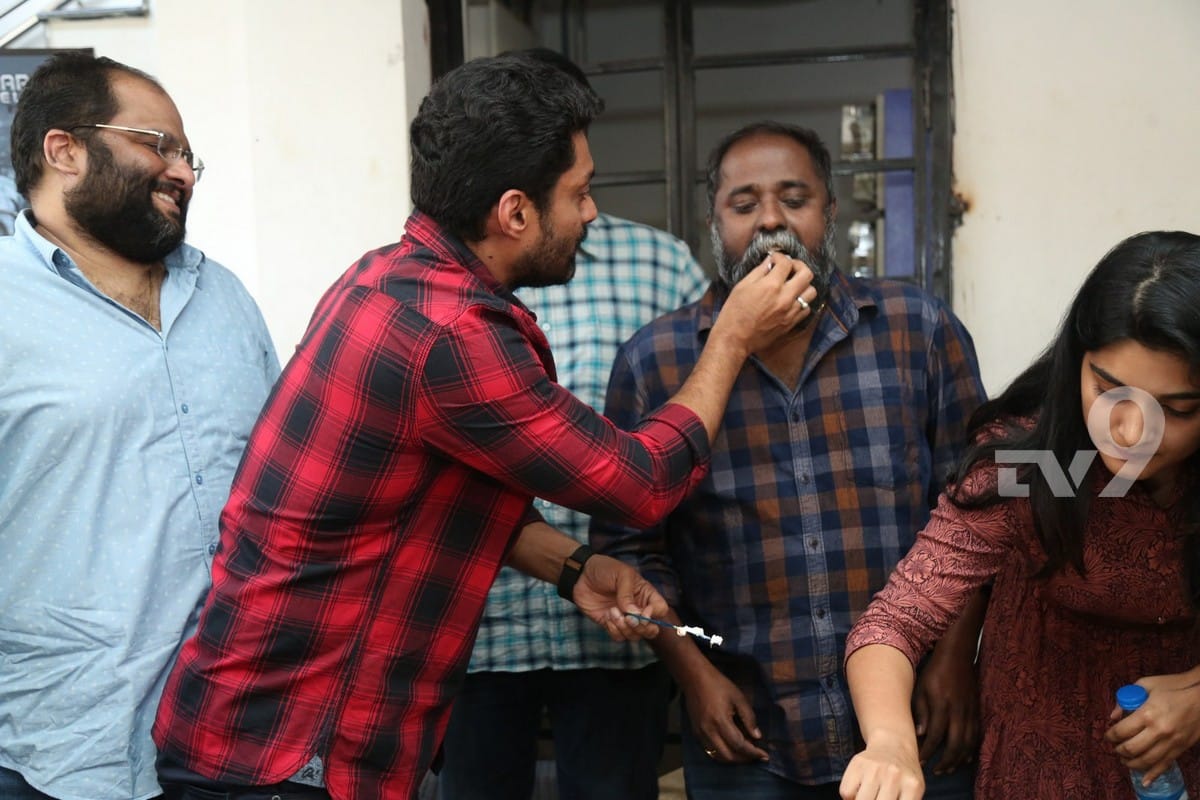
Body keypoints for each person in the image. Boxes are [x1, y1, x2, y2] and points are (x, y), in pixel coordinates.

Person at [152, 54, 814, 800]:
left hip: (266, 744)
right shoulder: (451, 334)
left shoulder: (384, 276)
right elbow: (642, 483)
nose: (591, 214)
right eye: (579, 193)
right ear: (515, 213)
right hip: (286, 758)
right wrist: (731, 338)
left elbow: (429, 496)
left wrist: (573, 569)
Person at [591, 120, 987, 800]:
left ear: (829, 212)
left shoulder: (917, 329)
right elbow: (630, 546)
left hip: (917, 718)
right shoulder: (654, 361)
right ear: (713, 224)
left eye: (794, 198)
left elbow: (978, 512)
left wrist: (955, 661)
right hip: (747, 732)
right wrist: (693, 676)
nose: (771, 220)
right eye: (744, 204)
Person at [0, 53, 279, 800]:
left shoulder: (224, 297)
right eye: (158, 144)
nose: (183, 171)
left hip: (236, 739)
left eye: (188, 155)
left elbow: (286, 487)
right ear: (65, 150)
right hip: (57, 752)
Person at [436, 47, 711, 800]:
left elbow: (701, 429)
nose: (587, 205)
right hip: (480, 629)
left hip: (613, 626)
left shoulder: (659, 264)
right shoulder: (438, 299)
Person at [838, 230, 1200, 800]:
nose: (1131, 433)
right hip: (1043, 752)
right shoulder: (1038, 465)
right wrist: (889, 743)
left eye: (1175, 410)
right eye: (1108, 391)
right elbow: (895, 620)